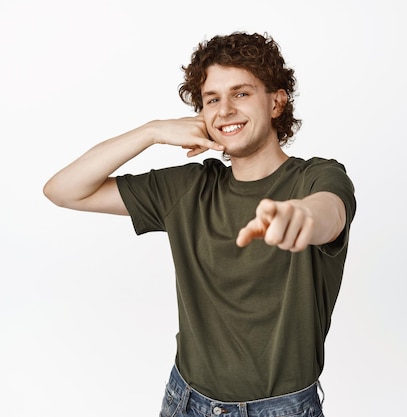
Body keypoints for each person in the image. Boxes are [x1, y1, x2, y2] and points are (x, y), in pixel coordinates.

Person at [43, 32, 356, 417]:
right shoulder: (188, 187)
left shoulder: (316, 177)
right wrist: (151, 132)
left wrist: (301, 217)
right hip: (186, 401)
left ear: (276, 102)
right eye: (212, 99)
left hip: (281, 409)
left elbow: (329, 212)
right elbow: (64, 190)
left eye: (240, 93)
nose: (224, 110)